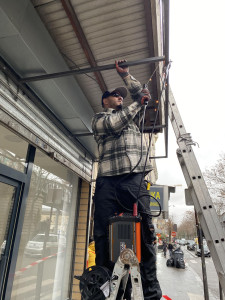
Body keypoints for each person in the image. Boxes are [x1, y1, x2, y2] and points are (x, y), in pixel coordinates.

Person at [92, 60, 162, 299]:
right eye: (114, 95)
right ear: (105, 101)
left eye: (120, 95)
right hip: (108, 182)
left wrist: (126, 76)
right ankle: (101, 288)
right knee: (101, 233)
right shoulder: (100, 119)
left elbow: (141, 94)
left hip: (134, 178)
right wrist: (134, 104)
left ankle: (151, 291)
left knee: (147, 232)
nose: (119, 97)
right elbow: (115, 122)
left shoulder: (132, 119)